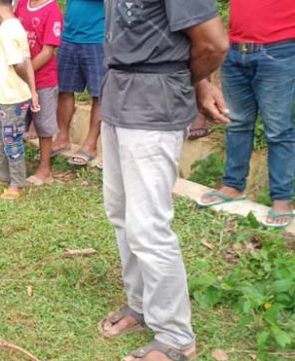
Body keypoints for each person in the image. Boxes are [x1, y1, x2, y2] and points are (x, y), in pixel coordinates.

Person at [97, 0, 228, 359]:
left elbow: (213, 43)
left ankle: (175, 337)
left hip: (154, 101)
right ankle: (140, 305)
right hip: (118, 94)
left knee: (148, 226)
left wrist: (186, 81)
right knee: (121, 213)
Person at [197, 0, 295, 228]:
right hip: (234, 49)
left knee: (278, 129)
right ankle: (233, 186)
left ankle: (282, 199)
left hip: (279, 49)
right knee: (237, 122)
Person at [0, 0, 39, 200]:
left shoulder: (7, 30)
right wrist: (34, 89)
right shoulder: (15, 26)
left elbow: (19, 64)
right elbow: (27, 59)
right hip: (4, 96)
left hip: (13, 97)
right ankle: (1, 175)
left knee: (12, 140)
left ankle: (17, 182)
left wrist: (30, 87)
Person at [51, 0, 105, 166]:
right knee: (64, 89)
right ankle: (62, 137)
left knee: (99, 94)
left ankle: (90, 144)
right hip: (69, 35)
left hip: (98, 37)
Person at [14, 0, 62, 186]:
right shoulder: (22, 4)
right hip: (18, 78)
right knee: (16, 121)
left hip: (43, 80)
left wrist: (27, 73)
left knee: (44, 126)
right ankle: (13, 163)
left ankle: (44, 169)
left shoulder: (52, 10)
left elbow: (47, 51)